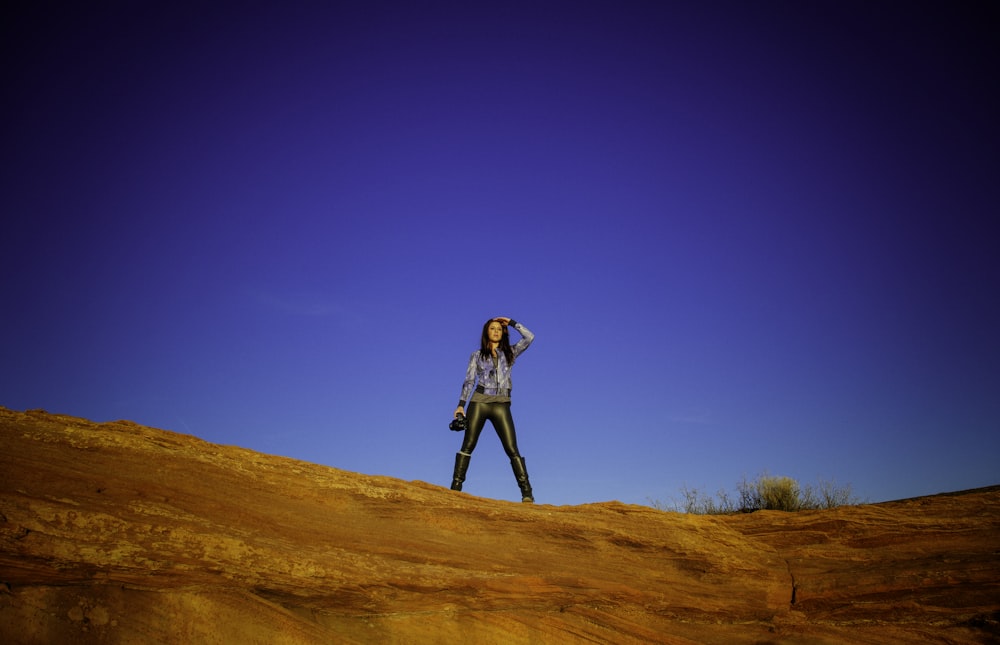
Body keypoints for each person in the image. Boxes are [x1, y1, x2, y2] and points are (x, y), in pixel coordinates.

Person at [451, 317, 535, 502]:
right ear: (486, 332)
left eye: (498, 328)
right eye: (492, 328)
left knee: (512, 448)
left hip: (501, 404)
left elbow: (529, 337)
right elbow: (469, 381)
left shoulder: (510, 353)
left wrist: (512, 323)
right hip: (479, 401)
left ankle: (527, 494)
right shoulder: (476, 355)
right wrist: (461, 405)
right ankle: (455, 490)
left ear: (502, 332)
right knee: (468, 444)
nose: (496, 331)